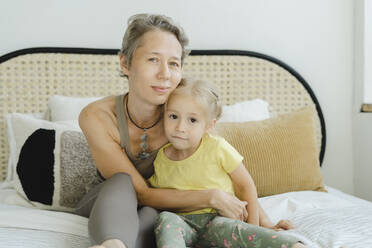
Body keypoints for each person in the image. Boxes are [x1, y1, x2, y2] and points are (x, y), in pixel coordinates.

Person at [75, 13, 295, 248]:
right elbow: (140, 191)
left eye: (173, 63)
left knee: (156, 216)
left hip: (163, 207)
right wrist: (210, 197)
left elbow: (227, 172)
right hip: (112, 202)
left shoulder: (184, 115)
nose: (165, 74)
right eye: (153, 60)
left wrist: (264, 223)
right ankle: (111, 243)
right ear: (125, 63)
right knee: (122, 182)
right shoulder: (98, 116)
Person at [148, 78, 305, 248]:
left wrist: (256, 227)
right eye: (173, 116)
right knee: (165, 218)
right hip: (182, 224)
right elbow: (157, 197)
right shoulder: (159, 159)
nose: (180, 127)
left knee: (236, 230)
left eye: (192, 120)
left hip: (218, 220)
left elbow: (245, 186)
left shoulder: (217, 148)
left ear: (209, 125)